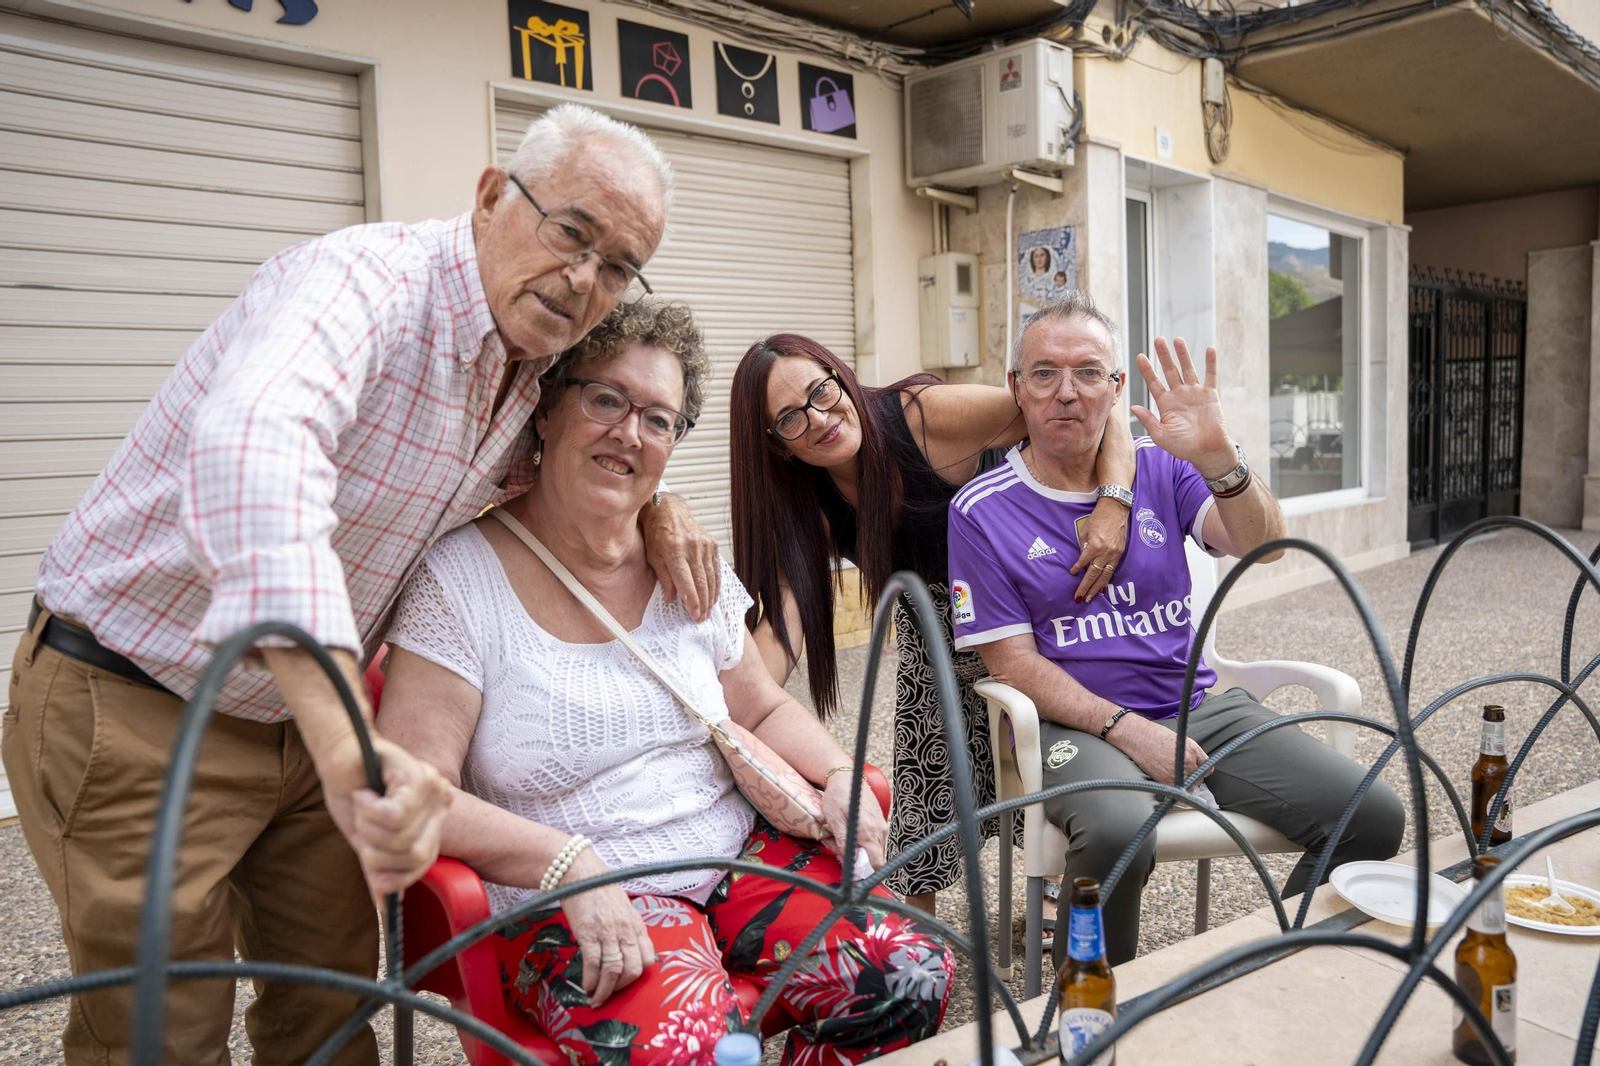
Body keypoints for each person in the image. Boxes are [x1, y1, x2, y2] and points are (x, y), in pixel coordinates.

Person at [4, 104, 723, 1066]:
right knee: (163, 1030)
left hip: (302, 725)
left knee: (334, 1010)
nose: (585, 280)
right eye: (570, 233)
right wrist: (348, 737)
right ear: (490, 196)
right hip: (136, 694)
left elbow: (578, 464)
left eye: (620, 265)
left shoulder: (530, 369)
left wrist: (656, 508)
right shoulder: (363, 284)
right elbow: (255, 448)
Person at [379, 301, 953, 1065]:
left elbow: (759, 704)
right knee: (692, 1046)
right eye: (607, 399)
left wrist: (841, 771)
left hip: (737, 857)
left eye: (659, 418)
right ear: (547, 408)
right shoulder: (458, 580)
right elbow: (410, 784)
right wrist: (565, 860)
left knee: (909, 974)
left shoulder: (688, 564)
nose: (630, 434)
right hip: (577, 895)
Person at [948, 293, 1404, 967]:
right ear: (1017, 388)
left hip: (1196, 709)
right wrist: (1129, 731)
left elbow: (1266, 546)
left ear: (1116, 386)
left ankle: (1285, 967)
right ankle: (1098, 1008)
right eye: (1044, 373)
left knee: (1373, 814)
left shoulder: (1161, 465)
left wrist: (1220, 457)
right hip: (1074, 729)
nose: (1066, 393)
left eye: (1088, 373)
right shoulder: (982, 510)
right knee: (1117, 830)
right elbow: (1012, 664)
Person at [729, 336, 1136, 927]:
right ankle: (912, 937)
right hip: (933, 631)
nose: (819, 418)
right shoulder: (807, 498)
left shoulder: (920, 416)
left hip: (1027, 608)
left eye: (822, 391)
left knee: (1045, 755)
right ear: (776, 445)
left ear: (841, 378)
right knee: (926, 772)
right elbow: (784, 625)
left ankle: (1062, 892)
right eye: (791, 418)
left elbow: (1089, 410)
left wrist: (1114, 502)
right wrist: (729, 712)